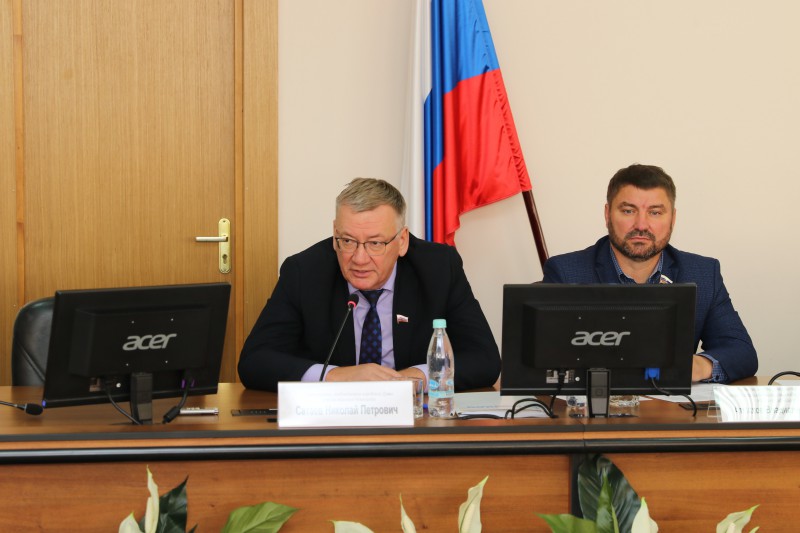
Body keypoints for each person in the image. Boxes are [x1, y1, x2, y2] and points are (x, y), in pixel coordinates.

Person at [238, 177, 501, 391]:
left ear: (402, 241)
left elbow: (485, 359)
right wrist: (336, 376)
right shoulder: (304, 272)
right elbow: (255, 361)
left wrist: (416, 378)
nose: (359, 259)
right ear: (335, 234)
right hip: (332, 421)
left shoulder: (439, 269)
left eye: (375, 243)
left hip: (414, 419)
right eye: (347, 241)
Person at [542, 164, 757, 383]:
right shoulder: (565, 272)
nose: (641, 225)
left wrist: (697, 366)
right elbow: (542, 356)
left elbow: (741, 352)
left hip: (668, 405)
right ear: (607, 214)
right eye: (628, 211)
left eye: (655, 212)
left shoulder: (703, 273)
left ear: (672, 219)